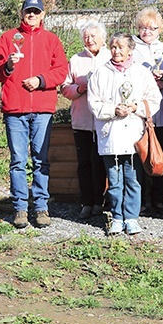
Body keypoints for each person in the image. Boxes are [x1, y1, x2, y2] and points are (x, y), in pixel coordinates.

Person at [0, 0, 68, 229]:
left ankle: (41, 207)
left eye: (36, 11)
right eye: (28, 11)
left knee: (41, 160)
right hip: (15, 109)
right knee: (17, 161)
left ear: (43, 15)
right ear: (22, 13)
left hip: (42, 108)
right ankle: (20, 208)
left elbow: (61, 71)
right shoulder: (7, 38)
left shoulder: (52, 40)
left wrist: (40, 80)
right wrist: (9, 66)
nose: (32, 15)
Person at [88, 33, 162, 235]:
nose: (116, 51)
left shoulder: (141, 73)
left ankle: (131, 217)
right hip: (110, 133)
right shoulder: (100, 73)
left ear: (130, 50)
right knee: (114, 180)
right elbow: (93, 103)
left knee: (133, 178)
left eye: (121, 47)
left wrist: (136, 107)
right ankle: (116, 218)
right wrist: (113, 110)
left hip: (134, 134)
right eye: (113, 47)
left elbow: (155, 99)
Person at [60, 21, 111, 219]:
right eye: (86, 36)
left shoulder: (110, 57)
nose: (89, 40)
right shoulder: (76, 59)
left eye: (93, 36)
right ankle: (86, 202)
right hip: (81, 119)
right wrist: (80, 89)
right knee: (84, 163)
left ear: (103, 38)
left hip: (104, 120)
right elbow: (65, 87)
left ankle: (100, 201)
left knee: (99, 161)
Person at [132, 7, 163, 213]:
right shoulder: (132, 47)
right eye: (143, 27)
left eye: (152, 28)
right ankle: (140, 200)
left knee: (161, 155)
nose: (147, 31)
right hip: (142, 111)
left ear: (160, 29)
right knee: (141, 155)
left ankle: (159, 199)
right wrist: (149, 82)